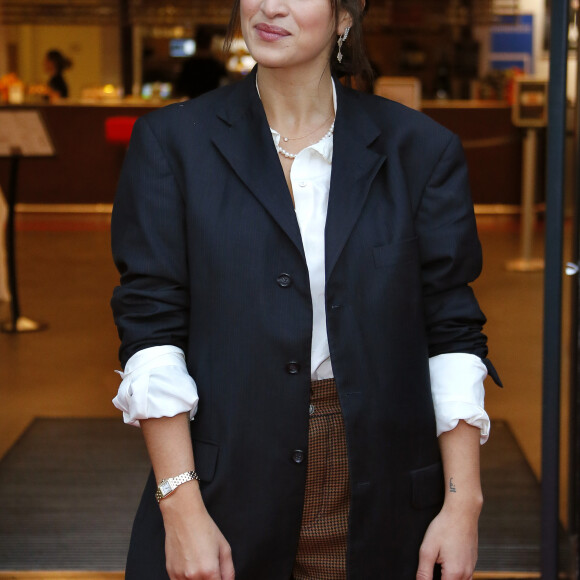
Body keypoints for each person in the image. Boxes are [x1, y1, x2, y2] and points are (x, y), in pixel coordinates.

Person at [110, 0, 501, 578]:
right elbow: (151, 328)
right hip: (220, 492)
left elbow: (451, 333)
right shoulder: (174, 143)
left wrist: (462, 503)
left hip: (386, 495)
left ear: (346, 17)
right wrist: (181, 506)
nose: (269, 6)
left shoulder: (420, 150)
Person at [174, 26, 228, 99]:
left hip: (194, 104)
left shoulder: (188, 65)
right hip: (212, 104)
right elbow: (226, 87)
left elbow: (179, 89)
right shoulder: (216, 65)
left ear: (196, 43)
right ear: (210, 43)